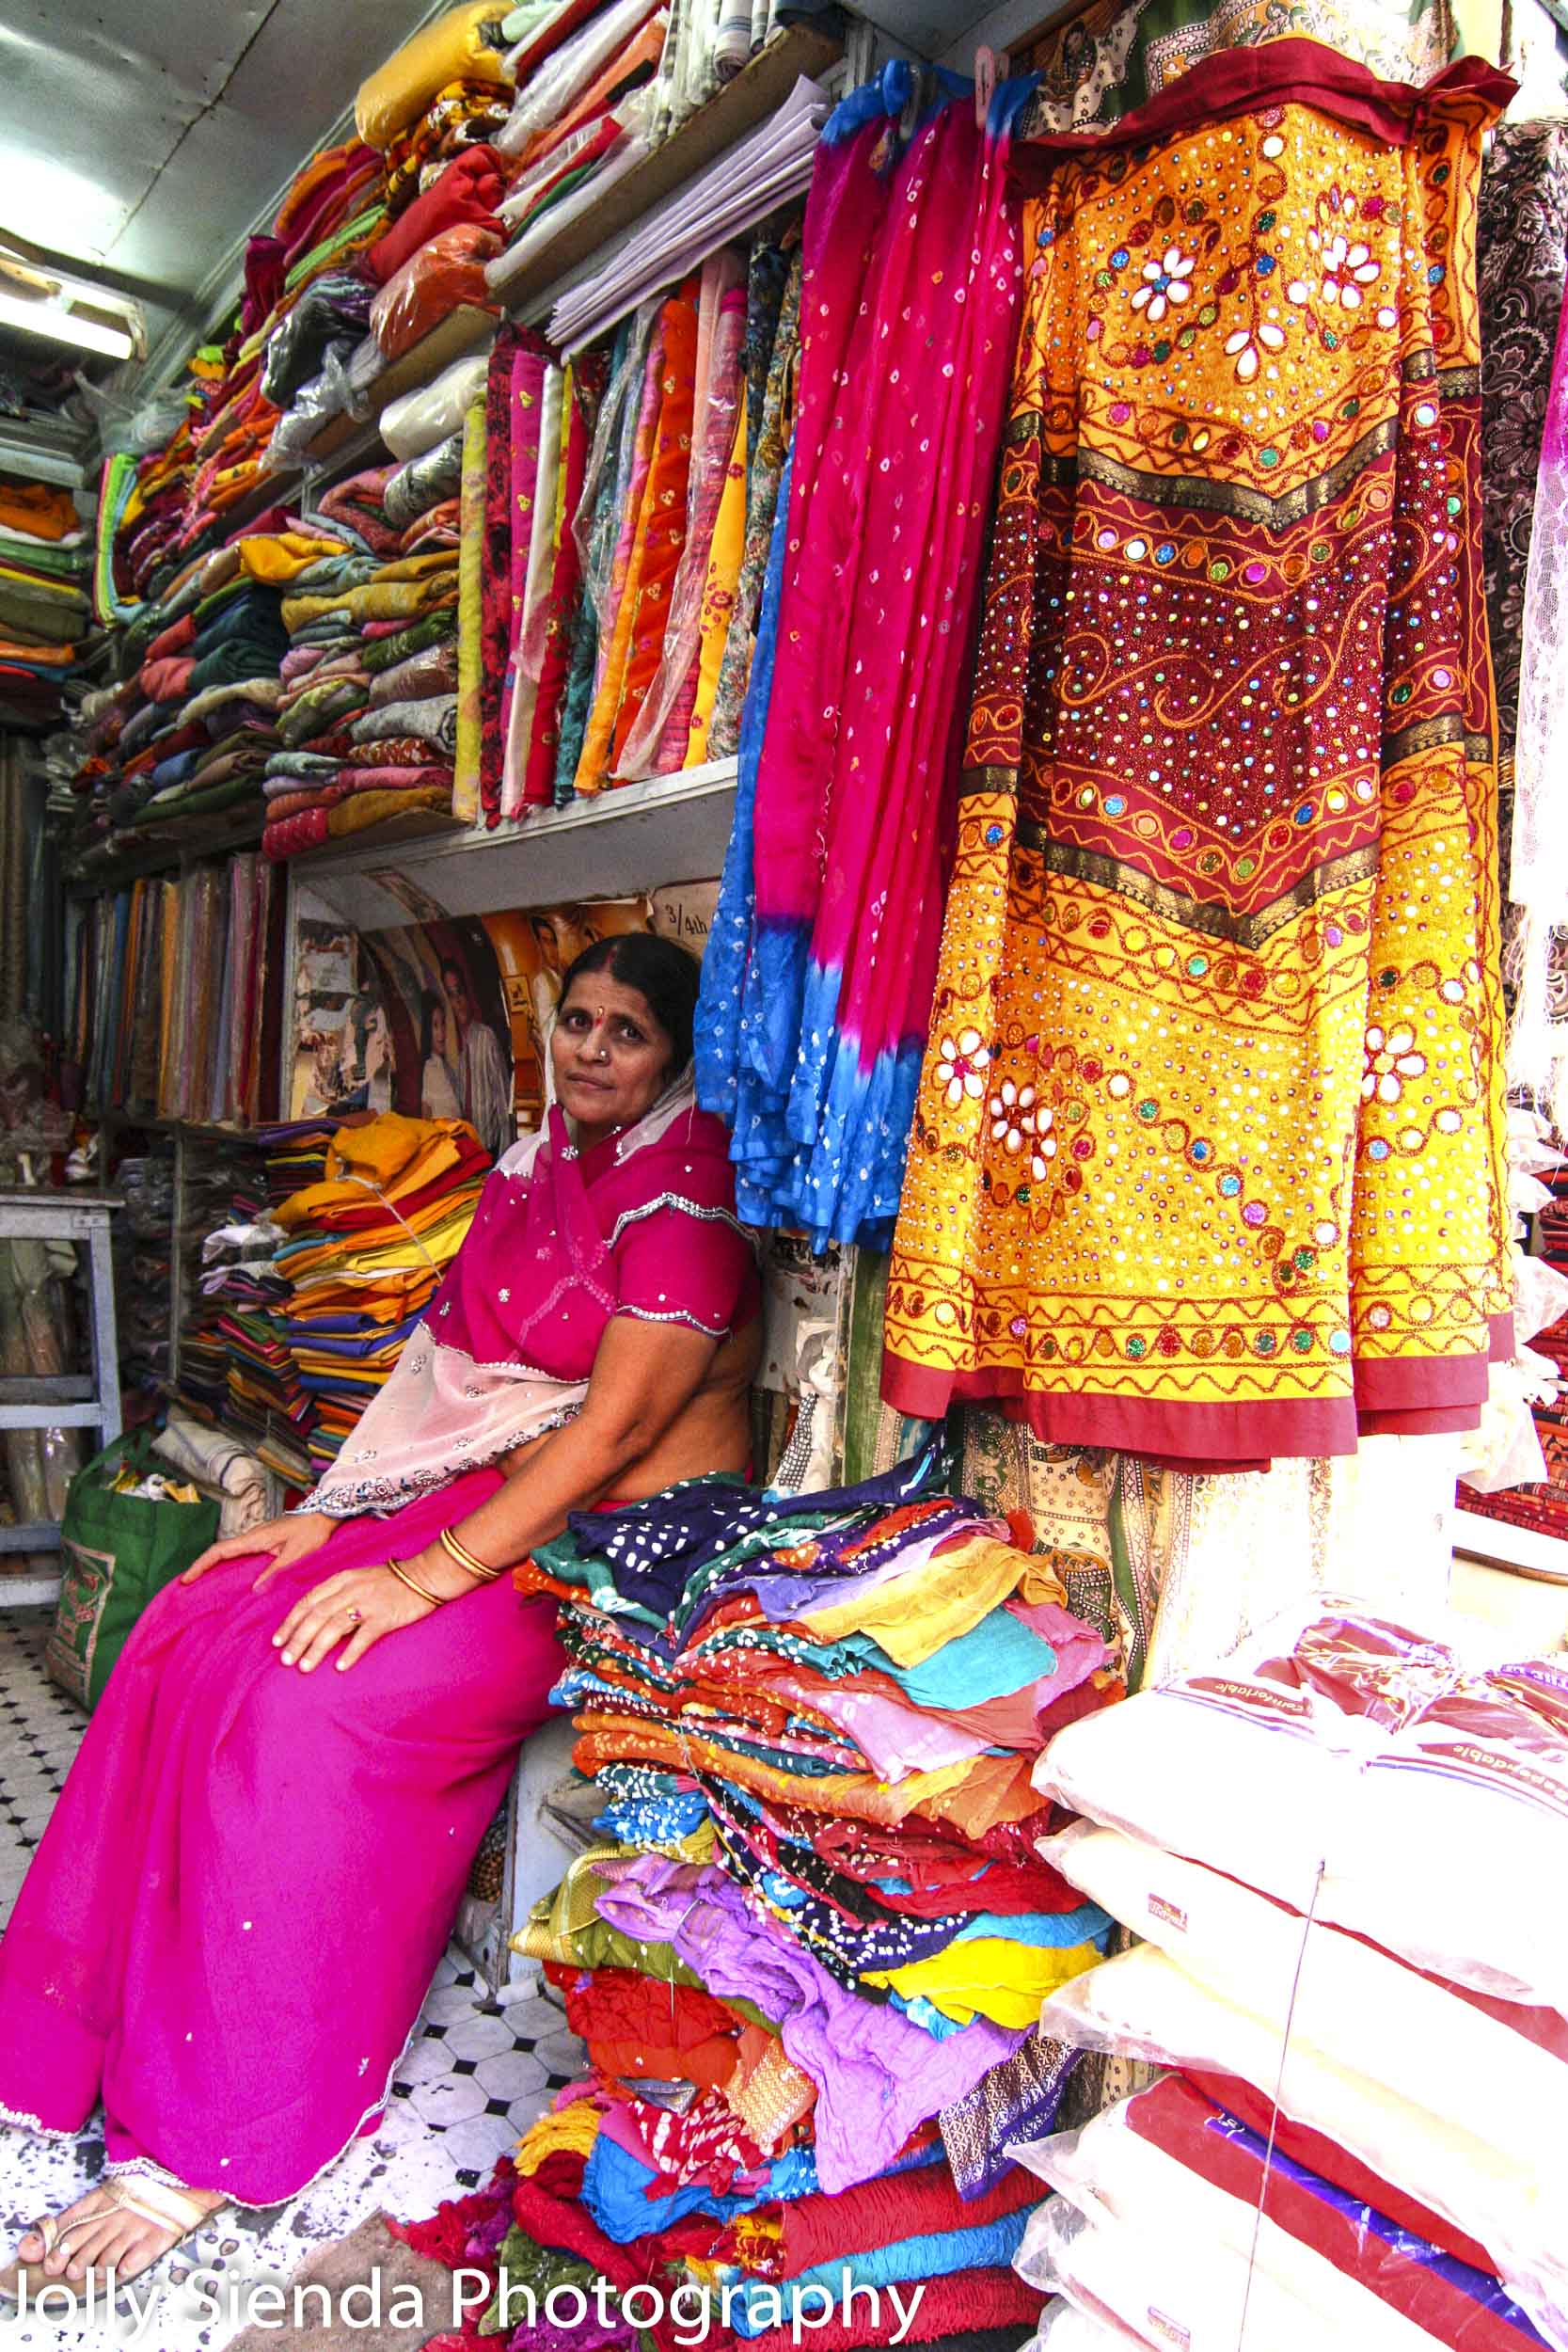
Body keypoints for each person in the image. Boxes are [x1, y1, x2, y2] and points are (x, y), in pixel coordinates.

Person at [0, 936, 760, 2300]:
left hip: (605, 1550)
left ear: (678, 1055)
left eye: (626, 1033)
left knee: (310, 1703)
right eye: (576, 1022)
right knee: (198, 1623)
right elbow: (447, 1365)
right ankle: (87, 2040)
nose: (590, 1051)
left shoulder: (687, 1200)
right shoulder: (537, 1174)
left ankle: (223, 2128)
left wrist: (416, 1577)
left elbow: (612, 1431)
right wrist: (334, 1512)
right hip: (487, 1497)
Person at [441, 954, 514, 1160]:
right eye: (451, 995)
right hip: (461, 1152)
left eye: (460, 992)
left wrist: (505, 1157)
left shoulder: (486, 1037)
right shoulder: (448, 1048)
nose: (458, 1001)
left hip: (488, 1148)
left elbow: (503, 1100)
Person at [419, 988, 462, 1120]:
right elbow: (426, 1114)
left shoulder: (446, 1066)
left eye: (443, 1023)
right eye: (435, 1025)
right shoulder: (430, 1067)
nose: (441, 1032)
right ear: (427, 1030)